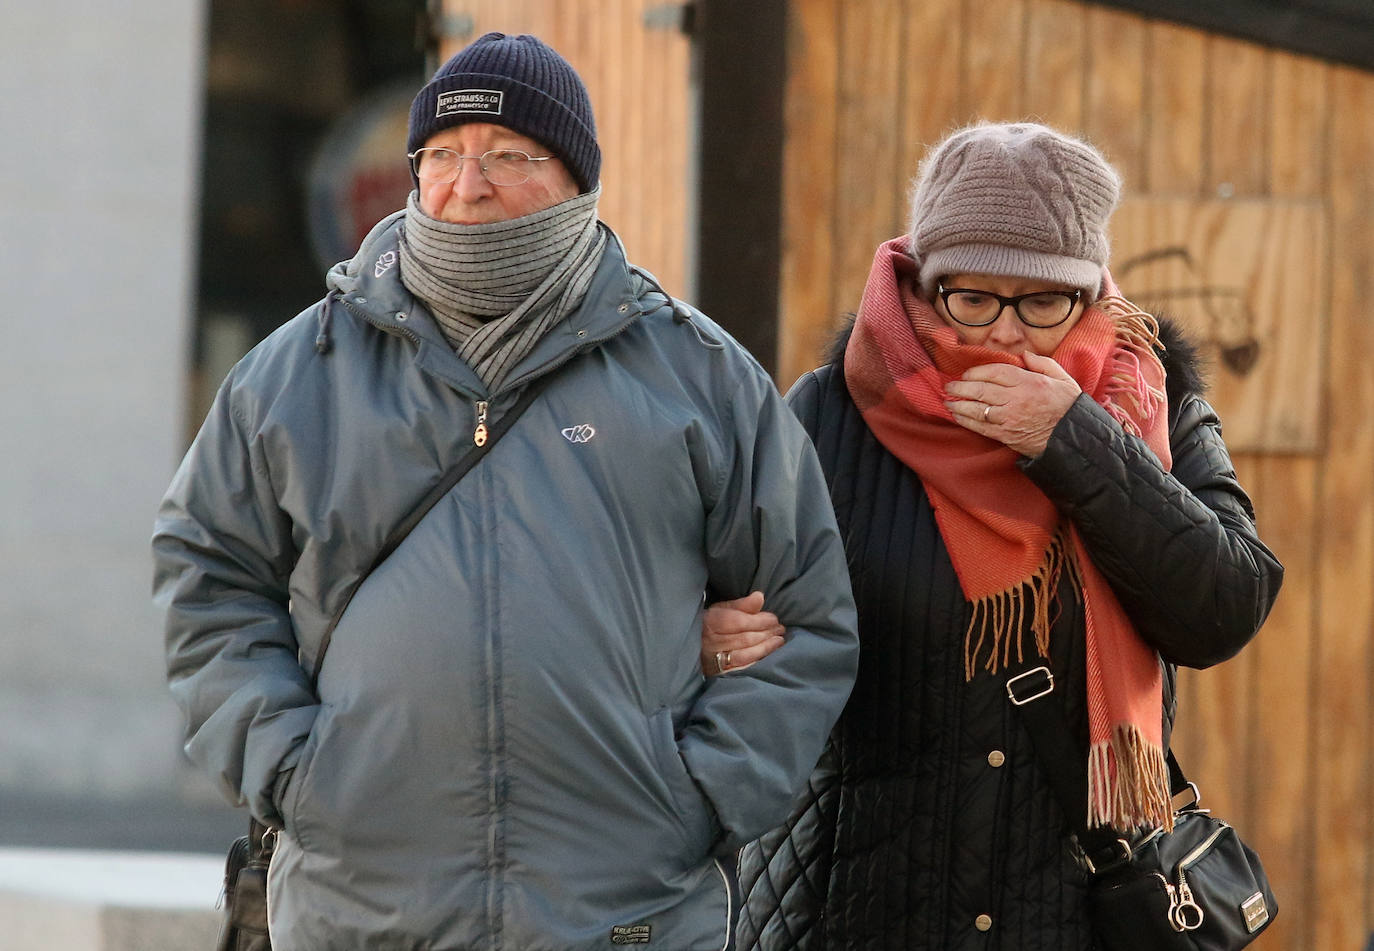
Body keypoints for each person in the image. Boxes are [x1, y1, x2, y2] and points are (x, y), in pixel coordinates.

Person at [153, 32, 858, 951]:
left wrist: (699, 796)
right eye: (442, 156)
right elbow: (206, 580)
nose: (467, 183)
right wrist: (293, 769)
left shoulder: (698, 375)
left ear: (575, 178)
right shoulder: (296, 374)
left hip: (623, 915)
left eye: (509, 157)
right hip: (361, 914)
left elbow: (808, 619)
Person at [703, 121, 1283, 949]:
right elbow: (709, 596)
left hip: (1069, 916)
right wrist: (711, 637)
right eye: (972, 298)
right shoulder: (832, 412)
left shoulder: (1152, 405)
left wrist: (1075, 440)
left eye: (1042, 301)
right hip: (855, 906)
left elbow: (1224, 605)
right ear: (923, 285)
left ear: (1090, 295)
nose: (1004, 334)